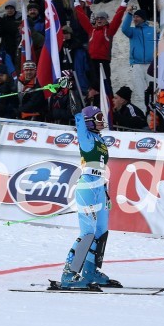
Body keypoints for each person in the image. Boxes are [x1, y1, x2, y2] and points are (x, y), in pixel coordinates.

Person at [54, 105, 121, 290]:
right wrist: (70, 87)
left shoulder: (100, 139)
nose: (102, 120)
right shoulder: (85, 137)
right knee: (88, 233)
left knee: (101, 231)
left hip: (99, 186)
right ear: (89, 121)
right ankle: (68, 274)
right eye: (98, 117)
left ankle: (90, 271)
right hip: (87, 187)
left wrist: (105, 190)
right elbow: (77, 112)